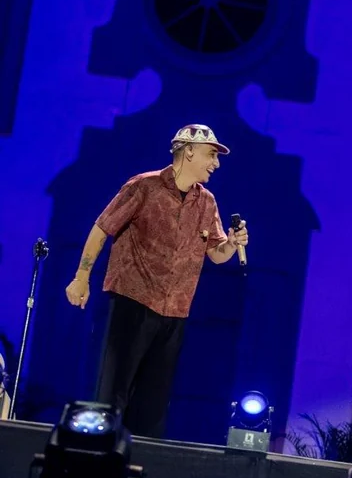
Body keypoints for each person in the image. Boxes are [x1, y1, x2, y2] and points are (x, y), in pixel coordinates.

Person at [64, 124, 249, 438]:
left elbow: (216, 254)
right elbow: (102, 228)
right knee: (114, 394)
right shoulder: (144, 186)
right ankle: (96, 460)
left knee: (152, 406)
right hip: (133, 303)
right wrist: (82, 276)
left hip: (174, 314)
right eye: (211, 154)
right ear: (188, 150)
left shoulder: (207, 202)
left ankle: (138, 468)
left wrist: (231, 243)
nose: (215, 163)